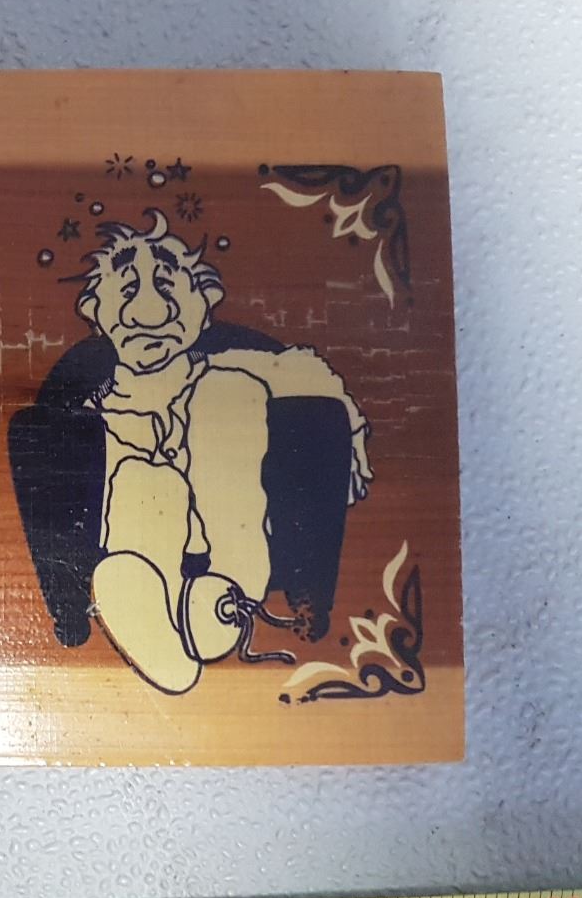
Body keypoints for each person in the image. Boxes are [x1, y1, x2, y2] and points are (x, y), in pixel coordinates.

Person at [66, 210, 371, 693]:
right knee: (144, 482)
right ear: (93, 311)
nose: (149, 312)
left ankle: (226, 597)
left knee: (227, 392)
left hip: (229, 556)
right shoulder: (95, 417)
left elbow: (317, 391)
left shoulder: (237, 377)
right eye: (127, 290)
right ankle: (154, 629)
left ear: (205, 303)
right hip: (155, 554)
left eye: (167, 287)